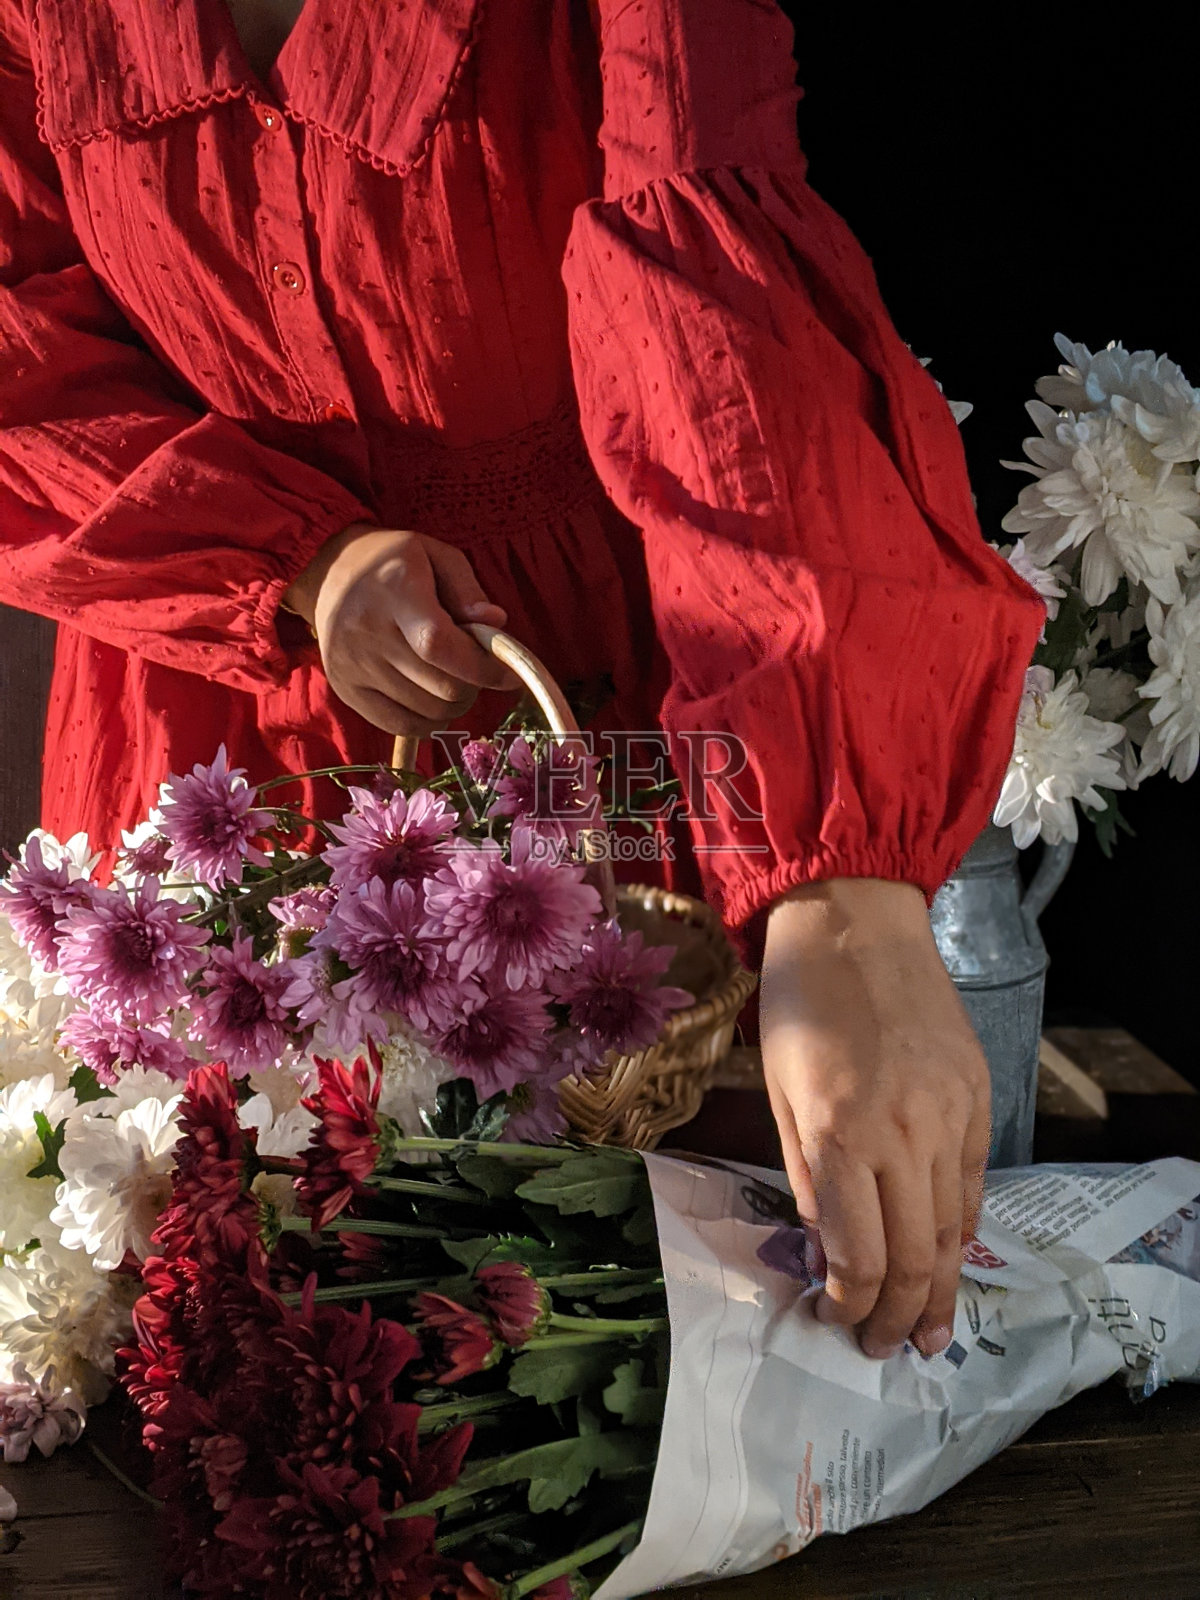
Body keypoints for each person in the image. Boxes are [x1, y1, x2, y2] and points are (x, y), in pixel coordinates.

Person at [0, 0, 1045, 1364]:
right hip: (223, 749)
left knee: (657, 1349)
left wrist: (843, 899)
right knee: (245, 1342)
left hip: (606, 725)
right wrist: (300, 560)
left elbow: (720, 329)